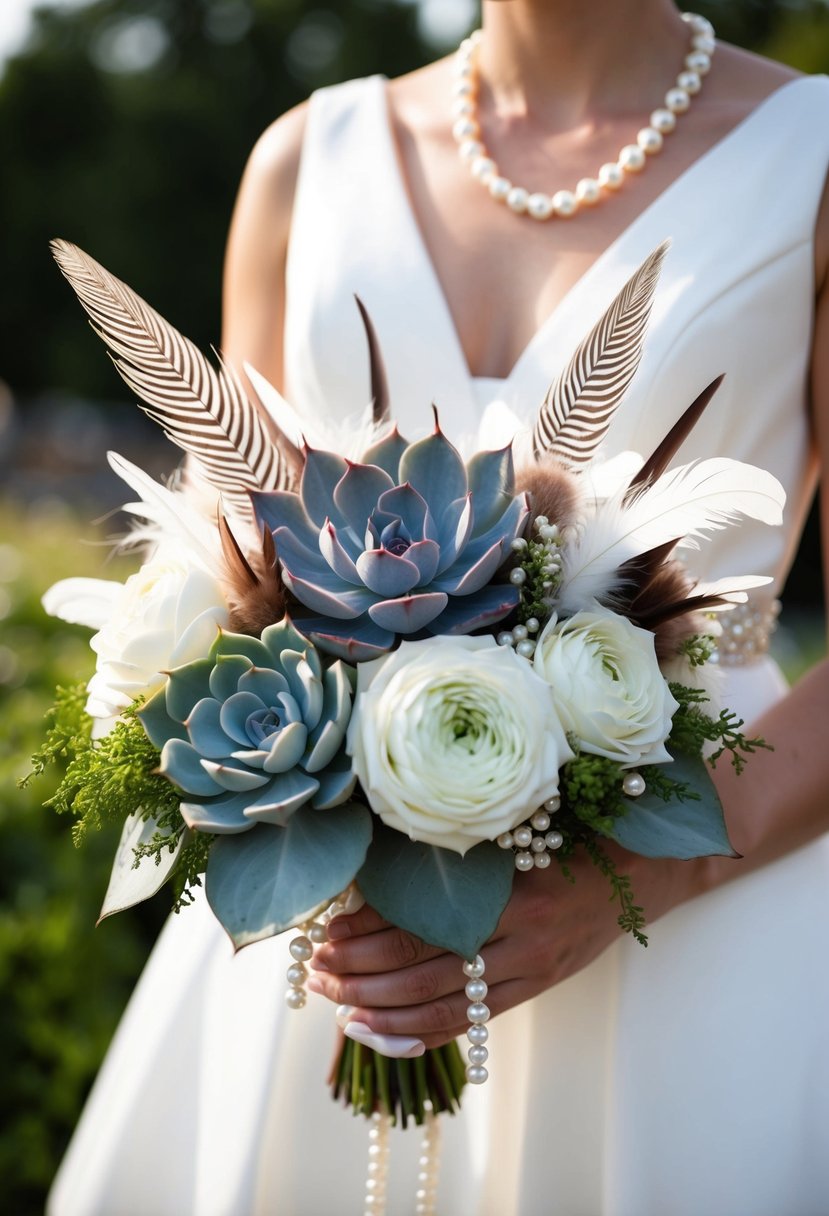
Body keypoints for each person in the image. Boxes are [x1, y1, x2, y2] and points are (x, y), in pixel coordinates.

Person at [49, 2, 829, 1213]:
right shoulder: (307, 160)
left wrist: (651, 873)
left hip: (698, 884)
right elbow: (233, 559)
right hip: (325, 934)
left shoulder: (811, 159)